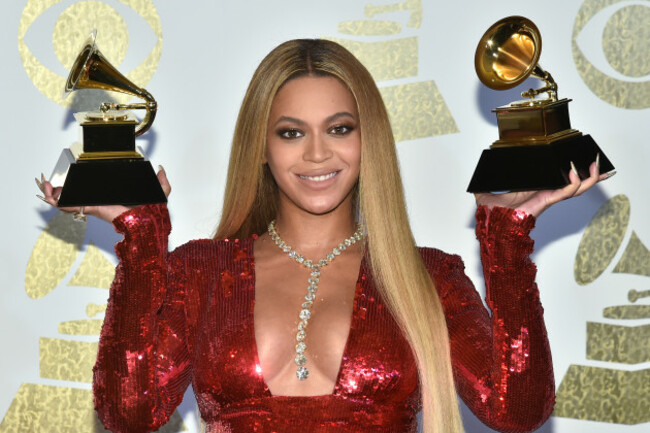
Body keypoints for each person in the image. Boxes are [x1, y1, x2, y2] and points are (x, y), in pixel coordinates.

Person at [37, 39, 608, 433]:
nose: (316, 154)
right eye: (291, 132)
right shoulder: (201, 270)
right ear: (261, 147)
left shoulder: (428, 276)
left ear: (369, 140)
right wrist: (140, 241)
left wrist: (506, 238)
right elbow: (128, 411)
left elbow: (520, 408)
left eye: (339, 129)